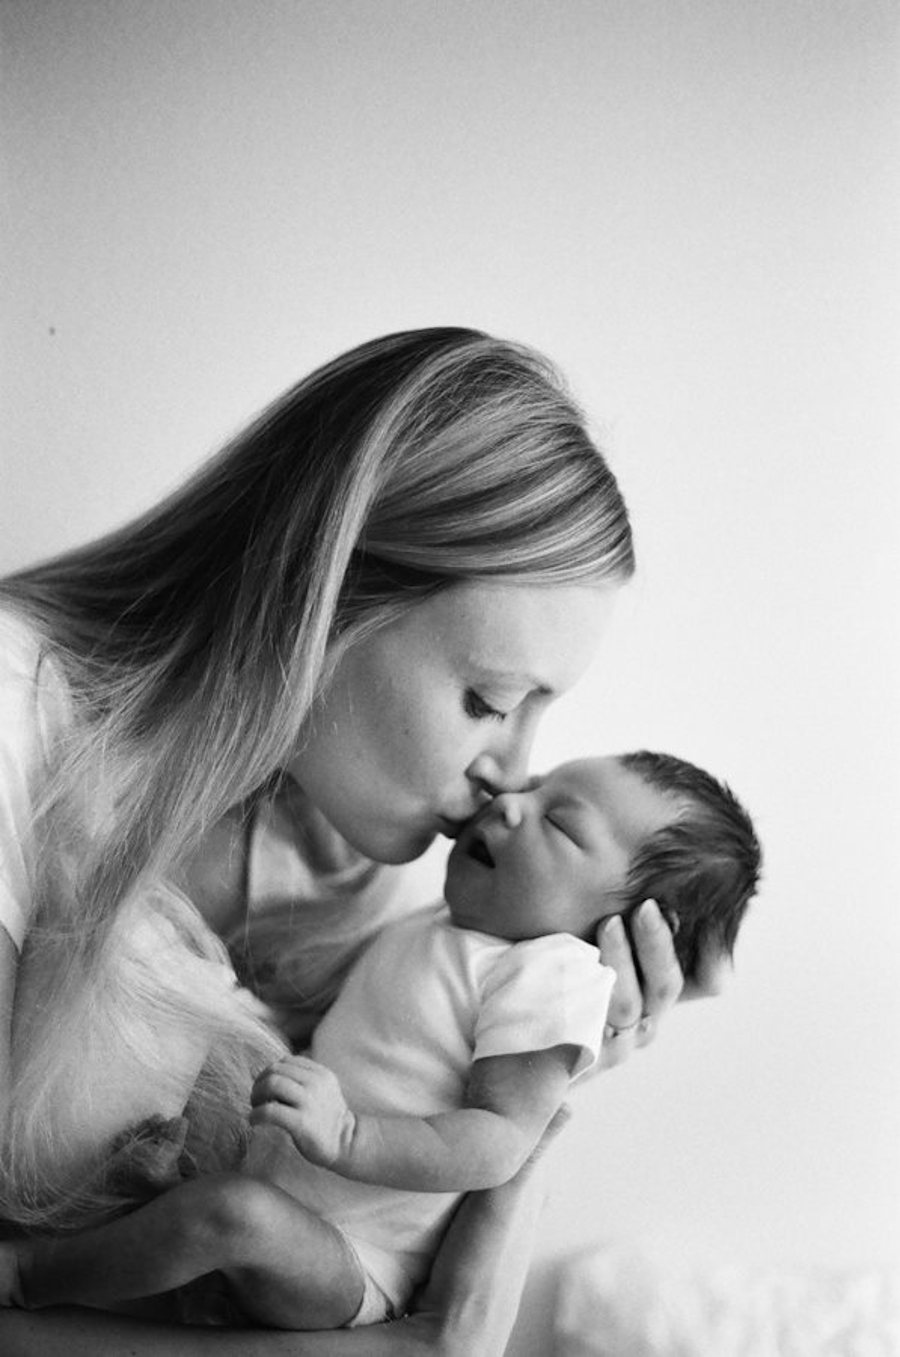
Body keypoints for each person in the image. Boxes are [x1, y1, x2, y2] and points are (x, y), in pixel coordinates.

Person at [0, 328, 726, 1355]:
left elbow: (428, 1282)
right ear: (323, 599)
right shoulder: (17, 737)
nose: (510, 773)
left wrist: (547, 1068)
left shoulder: (348, 874)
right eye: (488, 699)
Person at [2, 750, 761, 1329]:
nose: (510, 804)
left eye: (560, 823)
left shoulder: (553, 974)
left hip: (353, 1256)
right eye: (533, 786)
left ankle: (32, 1278)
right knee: (205, 1057)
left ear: (624, 926)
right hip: (288, 1160)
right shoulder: (451, 930)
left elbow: (498, 1138)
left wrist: (351, 1133)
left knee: (232, 1215)